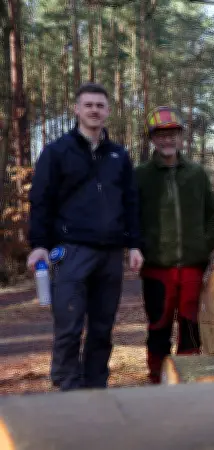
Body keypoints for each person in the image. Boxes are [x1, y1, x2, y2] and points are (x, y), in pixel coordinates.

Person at [26, 82, 142, 391]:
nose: (94, 110)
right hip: (71, 251)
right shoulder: (56, 152)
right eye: (88, 104)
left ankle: (96, 387)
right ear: (76, 109)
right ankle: (67, 387)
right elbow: (41, 200)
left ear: (107, 112)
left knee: (102, 328)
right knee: (69, 326)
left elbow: (130, 201)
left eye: (100, 105)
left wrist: (134, 243)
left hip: (110, 254)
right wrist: (39, 245)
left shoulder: (118, 155)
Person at [134, 106, 214, 384]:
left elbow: (213, 212)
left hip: (193, 266)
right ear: (152, 139)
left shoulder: (196, 174)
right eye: (161, 135)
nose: (167, 140)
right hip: (157, 268)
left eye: (172, 133)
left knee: (190, 324)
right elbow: (130, 216)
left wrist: (206, 244)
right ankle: (157, 379)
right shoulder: (140, 176)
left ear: (181, 136)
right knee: (159, 326)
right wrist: (140, 247)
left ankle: (188, 378)